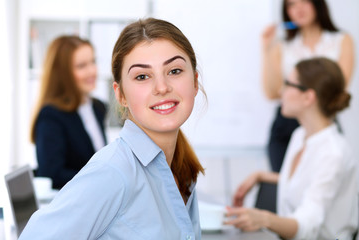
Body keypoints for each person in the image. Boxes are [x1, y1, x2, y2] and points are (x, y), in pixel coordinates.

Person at [20, 18, 205, 239]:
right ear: (121, 95)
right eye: (142, 76)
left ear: (195, 82)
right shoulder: (113, 174)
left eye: (174, 71)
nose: (162, 87)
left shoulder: (181, 168)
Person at [226, 58, 358, 240]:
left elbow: (307, 227)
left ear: (308, 97)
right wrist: (261, 175)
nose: (281, 92)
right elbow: (305, 183)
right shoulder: (300, 135)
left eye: (288, 84)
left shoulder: (333, 153)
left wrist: (263, 218)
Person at [262, 0, 355, 172]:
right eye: (291, 5)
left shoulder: (341, 40)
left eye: (304, 2)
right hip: (285, 127)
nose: (298, 10)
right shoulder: (281, 46)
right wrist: (267, 48)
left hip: (322, 120)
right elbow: (272, 93)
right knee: (285, 186)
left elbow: (338, 87)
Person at [29, 36, 107, 189]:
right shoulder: (51, 115)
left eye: (93, 62)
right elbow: (52, 174)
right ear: (63, 73)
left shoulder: (98, 108)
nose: (92, 71)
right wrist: (102, 178)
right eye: (81, 66)